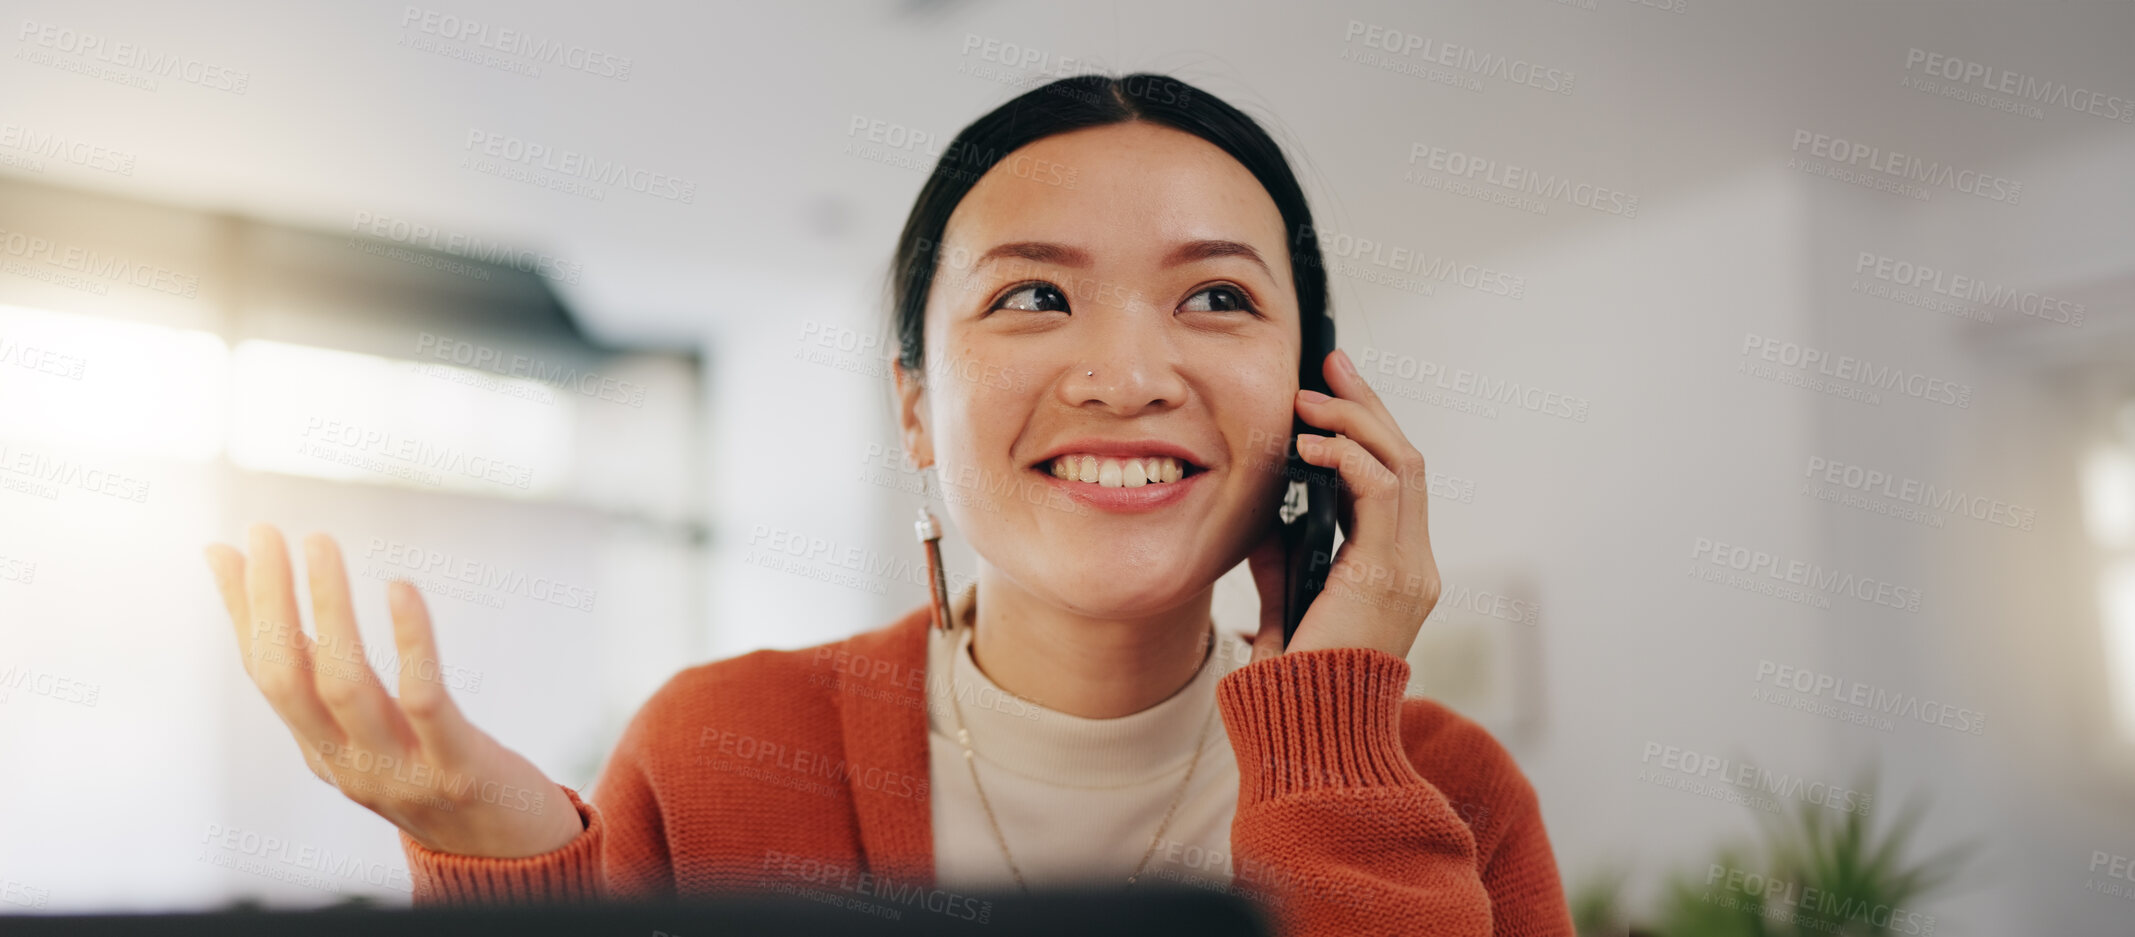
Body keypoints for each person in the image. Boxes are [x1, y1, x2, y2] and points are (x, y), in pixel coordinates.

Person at [202, 72, 1573, 935]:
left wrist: (1336, 727)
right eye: (1033, 295)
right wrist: (496, 853)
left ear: (1316, 394)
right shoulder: (722, 749)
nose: (1127, 372)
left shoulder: (1450, 790)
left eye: (1217, 297)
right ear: (914, 402)